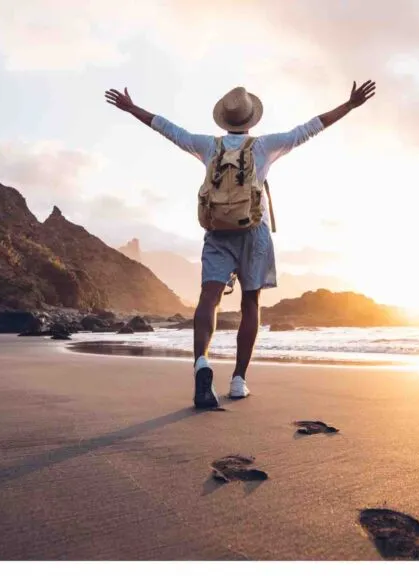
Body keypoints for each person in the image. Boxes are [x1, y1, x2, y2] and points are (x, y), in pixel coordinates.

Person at [104, 80, 377, 409]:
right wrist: (348, 106)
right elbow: (309, 128)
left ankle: (202, 363)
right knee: (250, 302)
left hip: (218, 232)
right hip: (253, 232)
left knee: (210, 297)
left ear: (225, 119)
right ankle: (238, 381)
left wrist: (132, 108)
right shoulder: (264, 147)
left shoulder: (208, 146)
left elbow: (168, 128)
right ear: (250, 120)